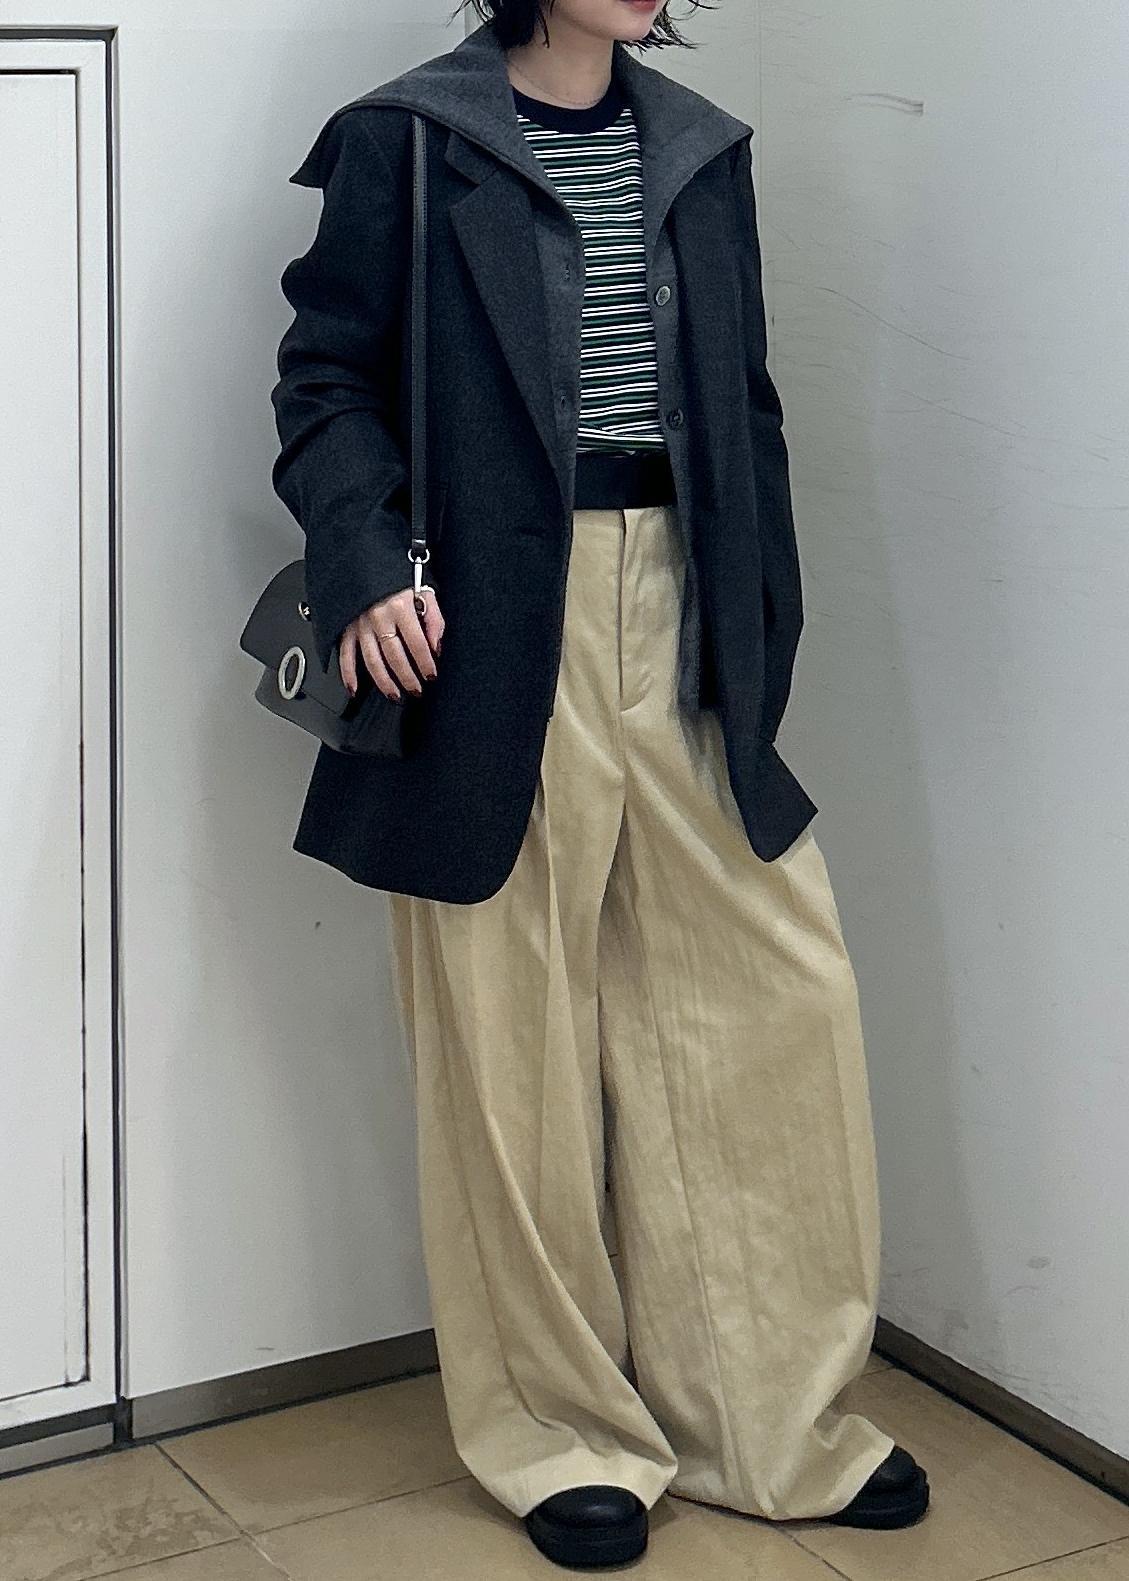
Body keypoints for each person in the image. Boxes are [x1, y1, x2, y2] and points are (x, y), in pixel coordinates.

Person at [270, 0, 930, 1568]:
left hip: (683, 610)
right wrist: (362, 561)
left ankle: (764, 1417)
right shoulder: (409, 138)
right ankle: (560, 1429)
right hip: (492, 621)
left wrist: (758, 621)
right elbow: (323, 379)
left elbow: (741, 401)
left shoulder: (699, 149)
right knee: (512, 1036)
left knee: (765, 1003)